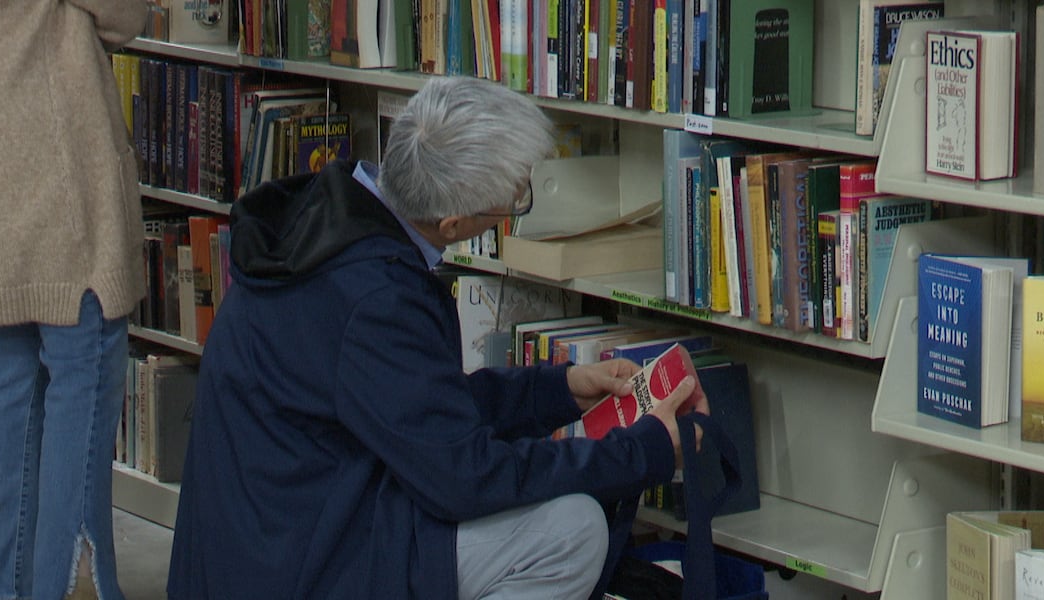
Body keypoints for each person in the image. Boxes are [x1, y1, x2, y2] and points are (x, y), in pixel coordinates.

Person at [167, 75, 705, 599]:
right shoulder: (374, 297)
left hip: (268, 534)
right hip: (299, 560)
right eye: (514, 199)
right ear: (453, 225)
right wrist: (643, 452)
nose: (518, 204)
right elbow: (464, 477)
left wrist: (557, 390)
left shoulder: (329, 219)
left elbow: (408, 407)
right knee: (571, 531)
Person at [0, 1, 149, 599]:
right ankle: (75, 586)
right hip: (60, 173)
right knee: (83, 375)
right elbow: (125, 14)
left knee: (4, 379)